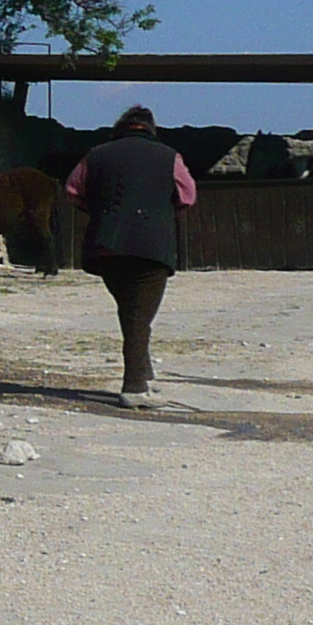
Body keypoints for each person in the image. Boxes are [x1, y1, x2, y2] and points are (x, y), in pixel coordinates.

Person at [66, 105, 196, 407]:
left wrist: (99, 211)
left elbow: (73, 190)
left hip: (105, 244)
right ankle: (134, 388)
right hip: (152, 244)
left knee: (131, 310)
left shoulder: (96, 154)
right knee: (139, 315)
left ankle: (144, 371)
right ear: (151, 128)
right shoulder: (169, 156)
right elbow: (187, 195)